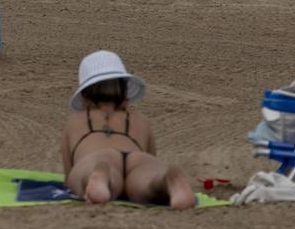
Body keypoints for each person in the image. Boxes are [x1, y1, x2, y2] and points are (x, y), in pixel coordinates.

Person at [61, 50, 197, 208]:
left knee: (79, 178)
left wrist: (81, 176)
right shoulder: (141, 120)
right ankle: (165, 180)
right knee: (149, 179)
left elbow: (69, 176)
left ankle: (99, 175)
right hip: (137, 158)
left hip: (98, 157)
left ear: (84, 96)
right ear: (124, 90)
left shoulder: (75, 121)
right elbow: (150, 155)